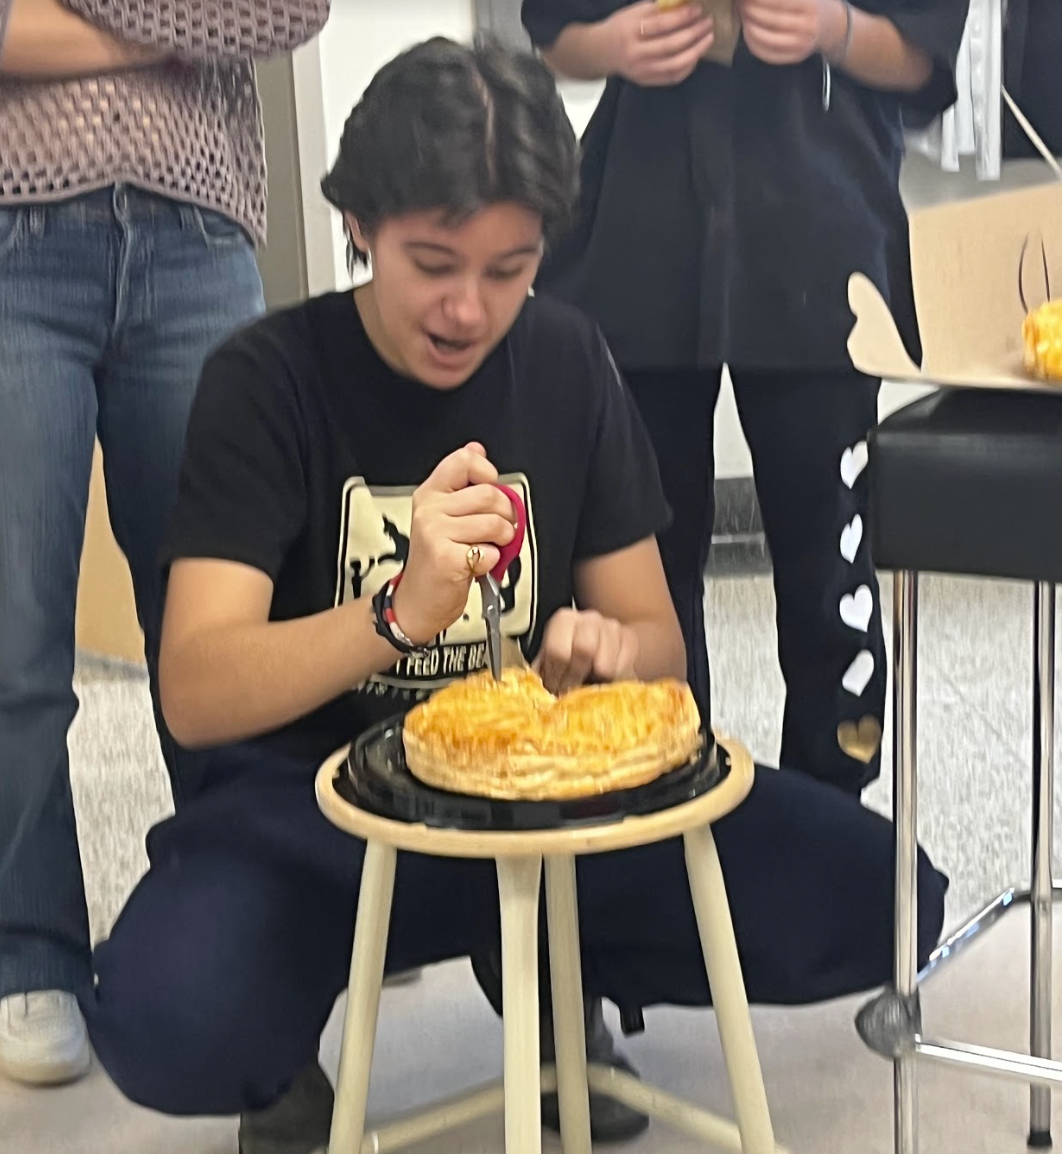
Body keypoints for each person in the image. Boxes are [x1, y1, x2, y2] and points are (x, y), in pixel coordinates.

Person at [80, 38, 947, 1154]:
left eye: (509, 267)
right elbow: (196, 689)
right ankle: (284, 1039)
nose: (467, 309)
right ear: (358, 226)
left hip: (548, 817)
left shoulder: (569, 357)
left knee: (894, 901)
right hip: (316, 814)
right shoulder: (267, 376)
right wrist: (396, 611)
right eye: (432, 262)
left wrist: (609, 651)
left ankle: (542, 963)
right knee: (163, 1023)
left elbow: (658, 646)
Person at [0, 0, 331, 1088]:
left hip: (196, 245)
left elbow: (288, 7)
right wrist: (180, 24)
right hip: (10, 246)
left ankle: (262, 914)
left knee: (234, 624)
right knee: (13, 638)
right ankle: (28, 952)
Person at [519, 0, 969, 795]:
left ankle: (833, 809)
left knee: (829, 561)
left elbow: (927, 56)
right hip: (640, 238)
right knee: (639, 565)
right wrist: (615, 44)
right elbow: (554, 32)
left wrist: (832, 28)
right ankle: (656, 795)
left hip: (823, 245)